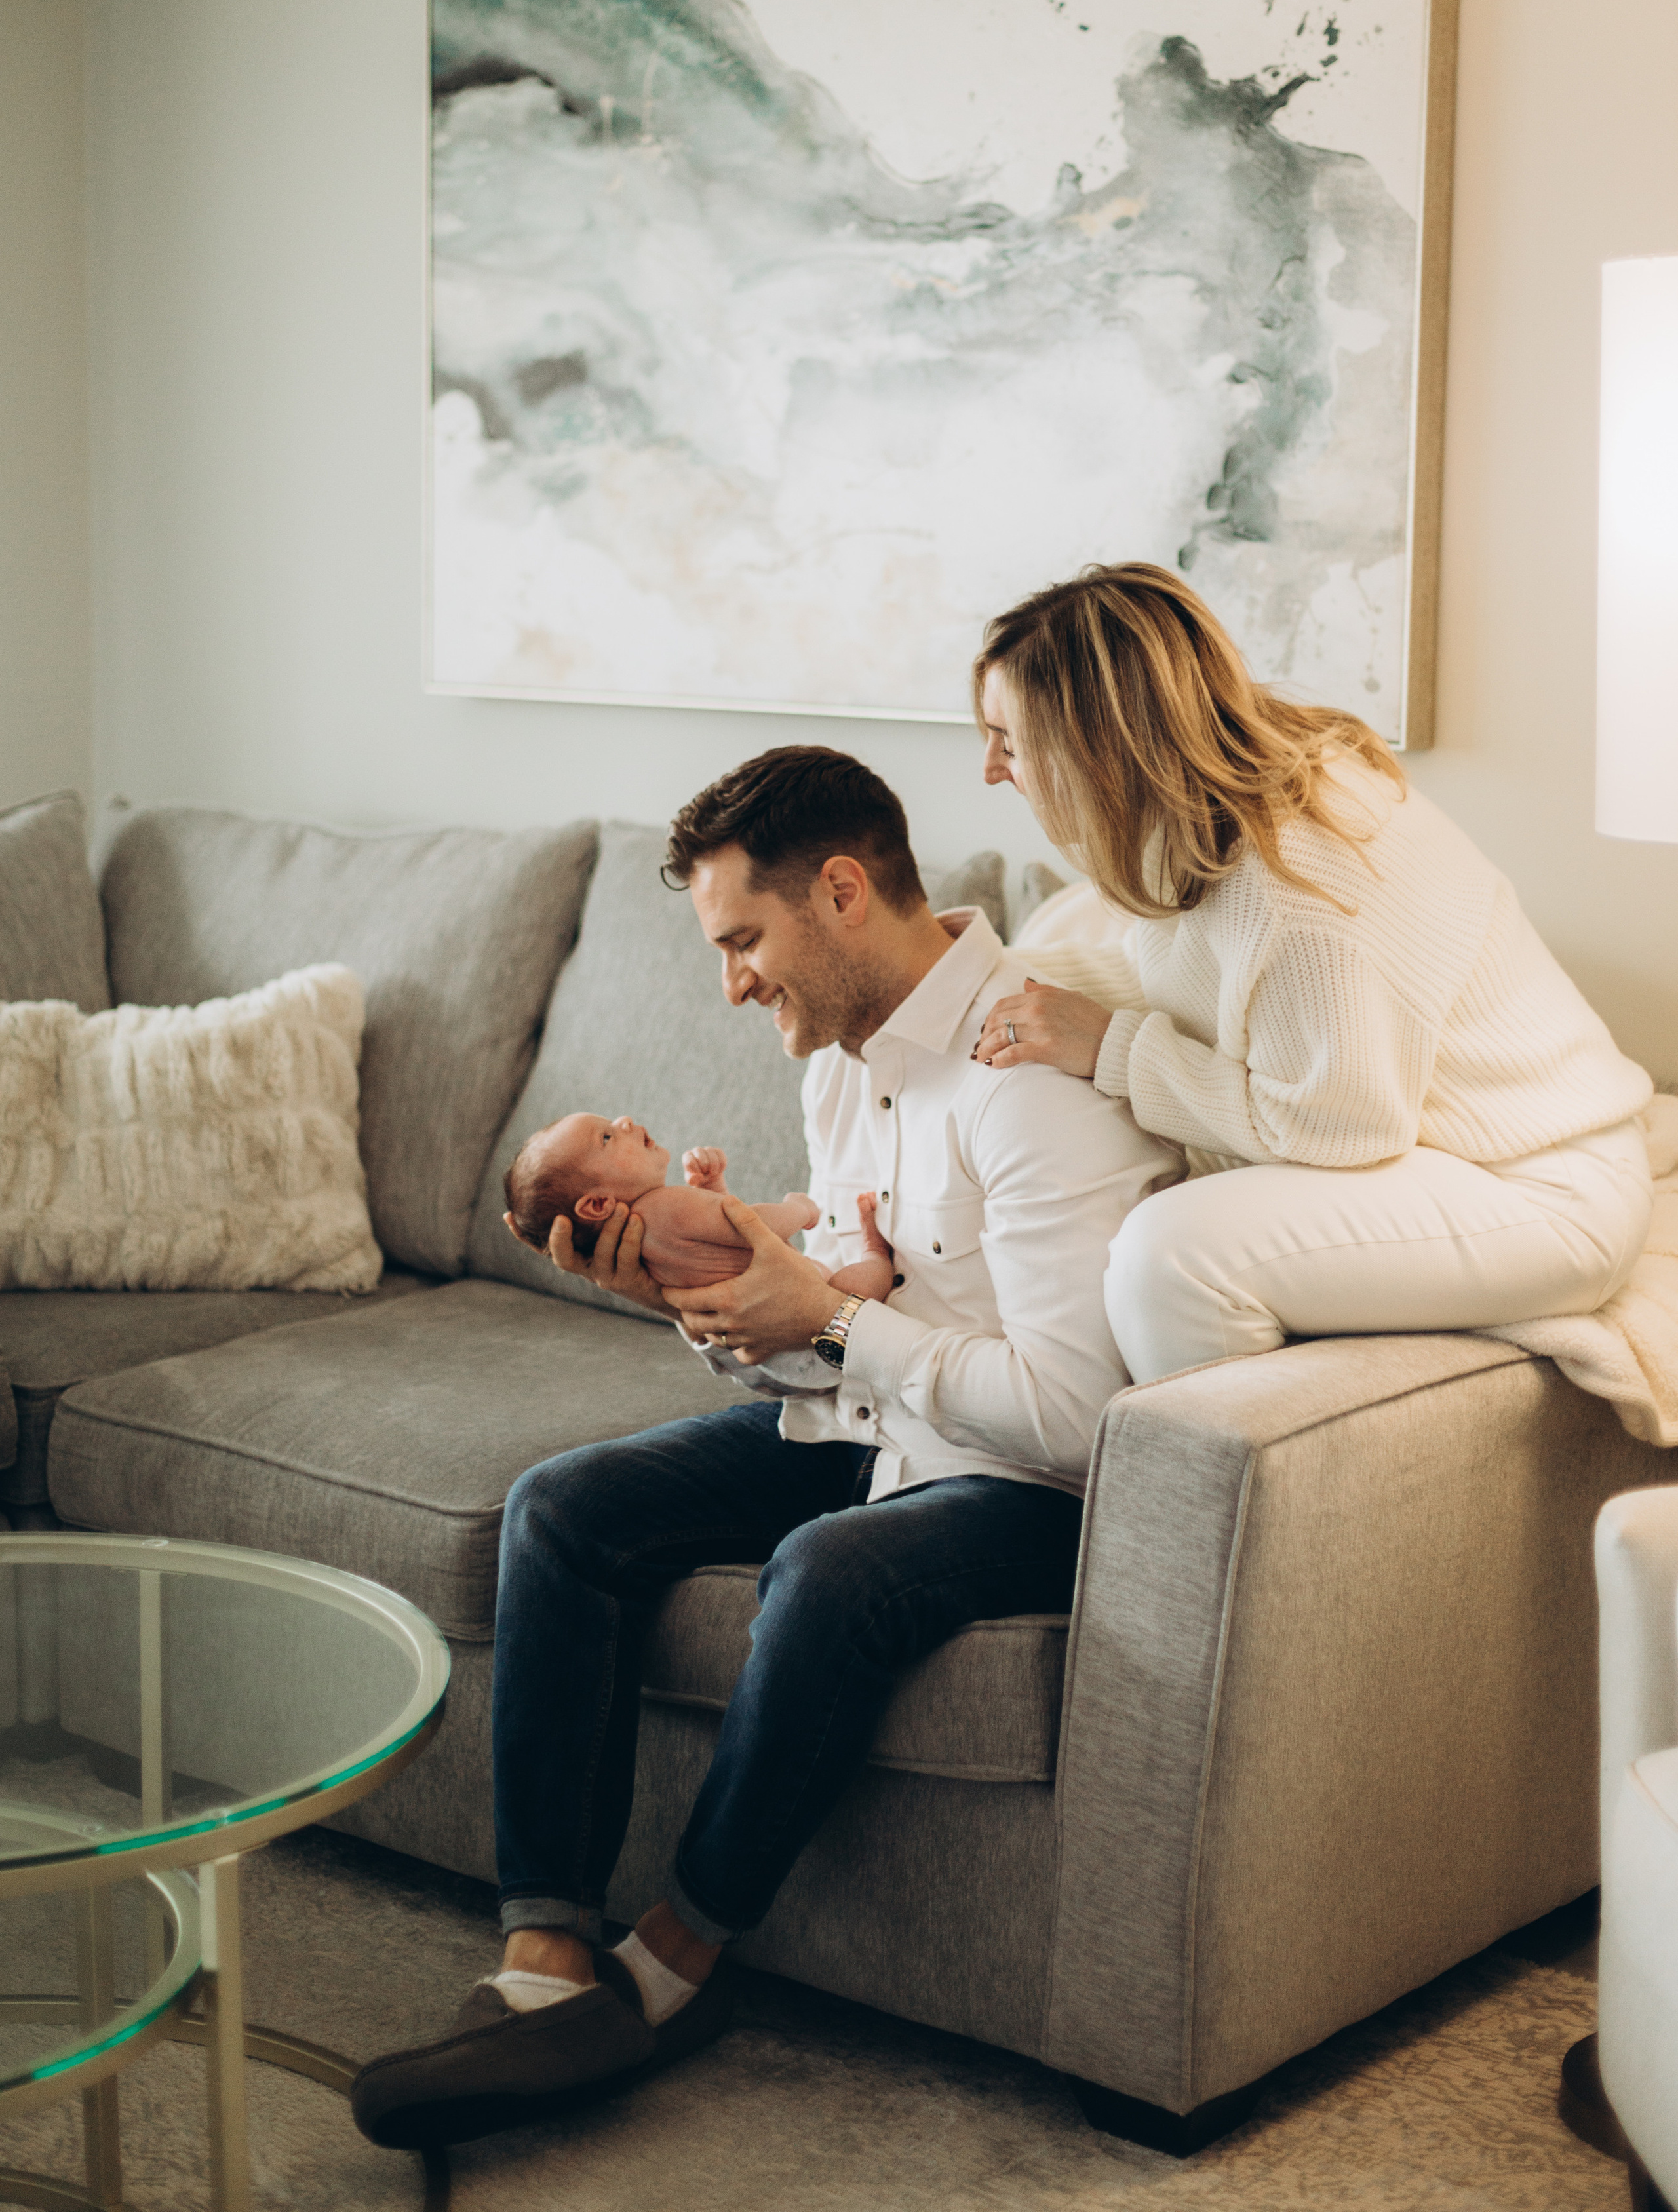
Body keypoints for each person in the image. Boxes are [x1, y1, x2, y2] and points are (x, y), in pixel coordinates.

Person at [351, 745, 1180, 2151]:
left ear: (841, 893)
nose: (730, 982)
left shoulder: (1024, 1069)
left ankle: (671, 1968)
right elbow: (822, 1315)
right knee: (561, 1507)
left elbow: (1077, 1415)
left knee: (825, 1571)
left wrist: (830, 1333)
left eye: (743, 940)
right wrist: (712, 1313)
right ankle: (544, 1956)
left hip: (1026, 1481)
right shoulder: (843, 1065)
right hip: (876, 1423)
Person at [969, 560, 1656, 1385]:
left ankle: (1208, 1506)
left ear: (1093, 744)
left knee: (1168, 1256)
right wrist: (973, 975)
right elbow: (1207, 993)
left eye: (1009, 741)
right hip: (1445, 1152)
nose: (990, 769)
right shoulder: (1195, 822)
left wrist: (1114, 1049)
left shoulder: (1292, 874)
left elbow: (1342, 1128)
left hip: (1536, 1186)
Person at [501, 1109, 898, 1295]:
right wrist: (800, 1210)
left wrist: (713, 1190)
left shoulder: (643, 1243)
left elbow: (717, 1244)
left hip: (776, 1320)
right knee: (859, 1288)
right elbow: (748, 1227)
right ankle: (875, 1250)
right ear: (598, 1204)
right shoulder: (664, 1207)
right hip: (809, 1296)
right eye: (606, 1138)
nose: (623, 1121)